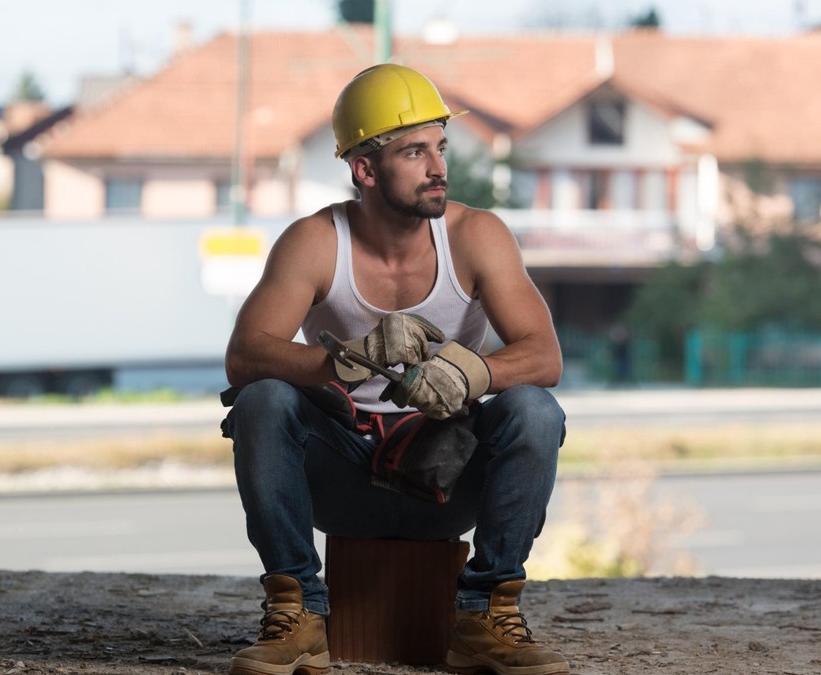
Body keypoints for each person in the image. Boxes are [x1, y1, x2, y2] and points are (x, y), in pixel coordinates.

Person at [222, 63, 569, 675]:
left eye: (440, 147)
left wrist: (471, 375)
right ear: (365, 169)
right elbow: (245, 353)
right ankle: (297, 614)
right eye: (415, 152)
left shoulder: (477, 235)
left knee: (534, 409)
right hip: (341, 476)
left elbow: (545, 355)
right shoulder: (314, 240)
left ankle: (485, 614)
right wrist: (344, 359)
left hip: (446, 471)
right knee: (262, 399)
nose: (439, 167)